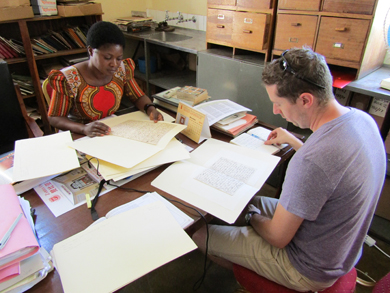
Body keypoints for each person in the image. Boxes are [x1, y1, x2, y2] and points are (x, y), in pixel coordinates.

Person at [192, 47, 386, 292]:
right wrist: (294, 141)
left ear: (305, 99)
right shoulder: (362, 120)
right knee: (249, 202)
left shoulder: (311, 162)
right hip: (341, 247)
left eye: (277, 103)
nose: (275, 111)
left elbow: (277, 237)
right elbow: (330, 167)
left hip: (307, 269)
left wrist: (252, 218)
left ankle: (258, 275)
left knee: (201, 235)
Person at [47, 21, 163, 137]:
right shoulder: (69, 79)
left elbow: (138, 96)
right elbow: (55, 118)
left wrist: (150, 108)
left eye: (119, 58)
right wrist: (84, 129)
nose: (114, 64)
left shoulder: (122, 70)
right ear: (91, 51)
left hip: (111, 129)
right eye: (108, 58)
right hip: (79, 134)